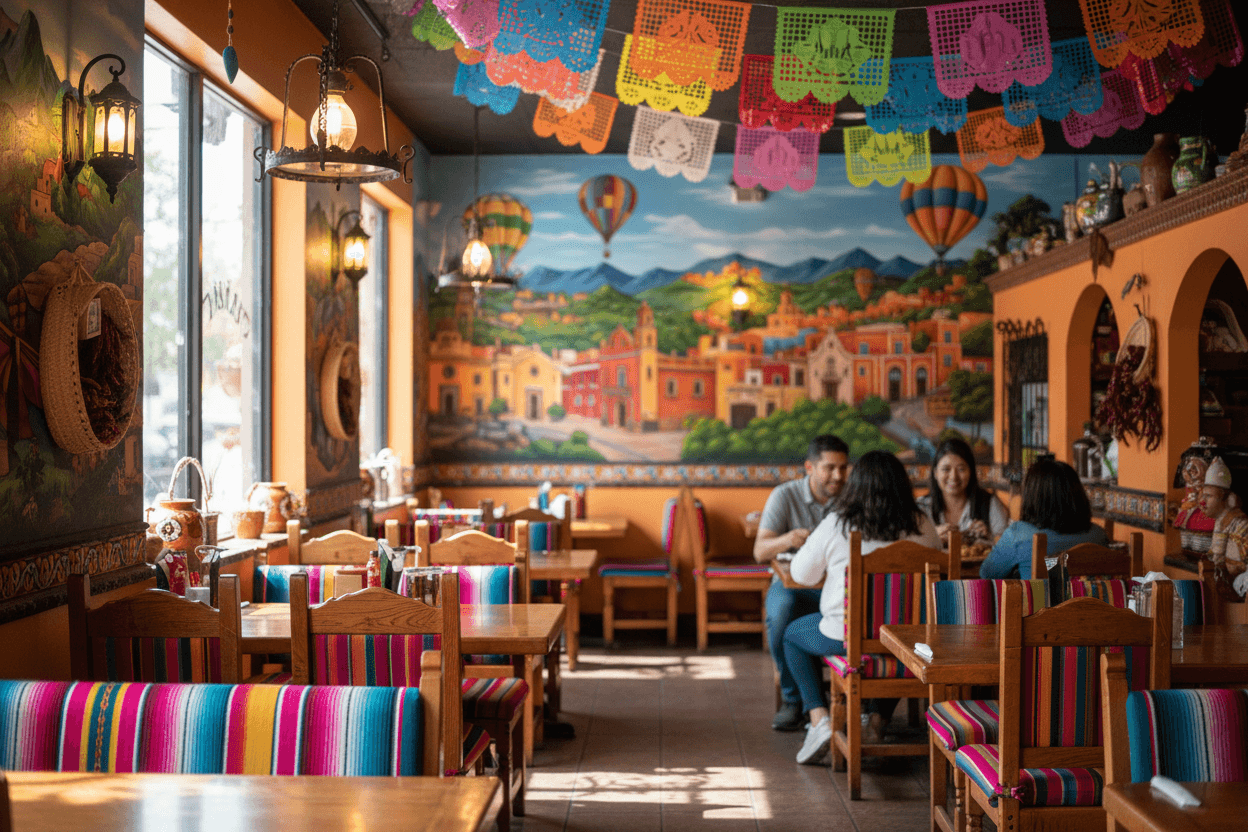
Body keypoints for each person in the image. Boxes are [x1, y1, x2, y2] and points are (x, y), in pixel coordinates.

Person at [782, 451, 940, 765]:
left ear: (856, 486)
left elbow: (800, 574)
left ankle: (819, 720)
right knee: (892, 643)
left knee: (791, 635)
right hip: (904, 640)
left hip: (846, 636)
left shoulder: (838, 523)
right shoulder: (923, 523)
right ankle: (876, 722)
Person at [754, 434, 850, 732]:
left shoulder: (852, 499)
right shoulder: (784, 495)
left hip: (836, 589)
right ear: (809, 467)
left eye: (843, 468)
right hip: (793, 584)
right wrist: (788, 538)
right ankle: (793, 699)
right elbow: (759, 551)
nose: (838, 476)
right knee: (781, 611)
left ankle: (851, 702)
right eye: (830, 468)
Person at [978, 457, 1107, 579]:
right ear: (1077, 495)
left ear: (1032, 498)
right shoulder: (1099, 536)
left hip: (1040, 602)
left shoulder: (1019, 534)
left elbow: (987, 573)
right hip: (1091, 602)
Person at [917, 438, 1009, 548]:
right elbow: (908, 549)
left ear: (971, 472)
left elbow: (1006, 549)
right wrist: (932, 537)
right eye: (946, 469)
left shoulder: (989, 503)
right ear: (936, 473)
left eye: (961, 469)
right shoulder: (921, 507)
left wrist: (989, 538)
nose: (953, 476)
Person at [1200, 457, 1248, 579]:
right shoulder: (1220, 521)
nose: (1203, 501)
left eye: (1209, 496)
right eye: (1203, 495)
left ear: (1222, 496)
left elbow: (1233, 567)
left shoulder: (1239, 524)